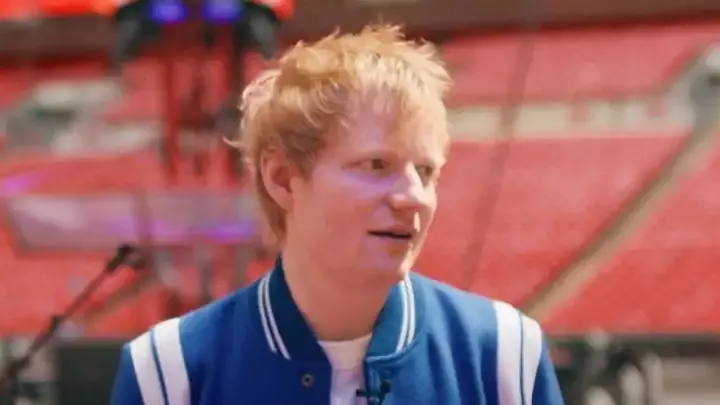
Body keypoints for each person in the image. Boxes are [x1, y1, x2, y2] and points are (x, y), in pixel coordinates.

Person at [109, 24, 564, 405]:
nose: (414, 197)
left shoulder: (505, 355)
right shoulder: (168, 375)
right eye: (376, 165)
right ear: (283, 178)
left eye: (426, 171)